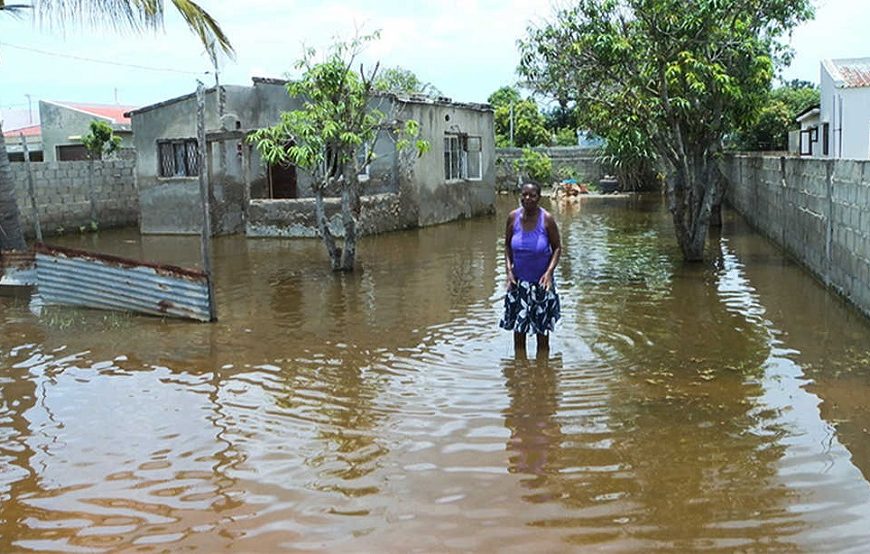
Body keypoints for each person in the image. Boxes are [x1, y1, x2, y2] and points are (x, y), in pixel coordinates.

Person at [499, 182, 562, 352]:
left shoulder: (547, 219)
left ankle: (543, 374)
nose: (527, 198)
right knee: (519, 334)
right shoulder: (513, 218)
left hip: (542, 283)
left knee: (543, 337)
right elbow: (506, 246)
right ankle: (520, 371)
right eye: (524, 194)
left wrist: (549, 273)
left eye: (532, 195)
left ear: (539, 198)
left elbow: (557, 247)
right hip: (518, 283)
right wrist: (509, 272)